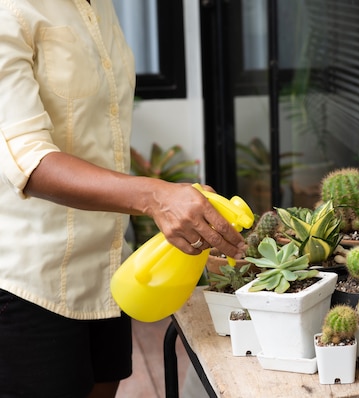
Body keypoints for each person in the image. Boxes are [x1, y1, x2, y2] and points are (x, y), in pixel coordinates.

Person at [0, 1, 246, 397]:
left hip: (107, 269)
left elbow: (100, 130)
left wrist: (180, 204)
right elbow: (29, 159)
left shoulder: (100, 7)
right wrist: (155, 196)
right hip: (30, 282)